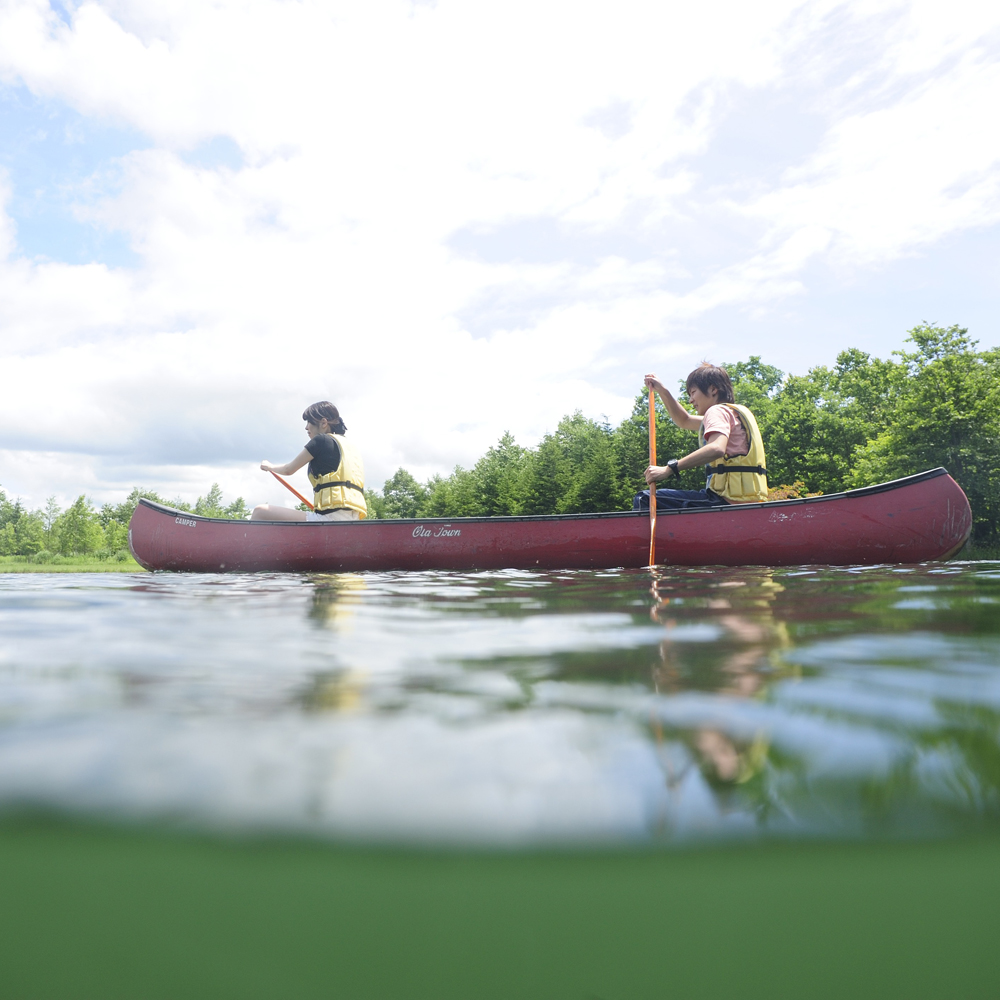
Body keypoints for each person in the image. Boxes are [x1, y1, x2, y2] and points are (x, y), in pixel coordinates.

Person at [633, 363, 767, 510]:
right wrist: (663, 391)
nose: (691, 400)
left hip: (723, 500)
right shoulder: (735, 415)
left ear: (713, 389)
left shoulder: (716, 411)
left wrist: (669, 469)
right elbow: (684, 420)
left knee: (643, 499)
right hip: (750, 501)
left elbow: (716, 448)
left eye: (693, 392)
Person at [251, 401, 367, 521]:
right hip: (353, 521)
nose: (306, 427)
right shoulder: (350, 447)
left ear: (323, 423)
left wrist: (269, 466)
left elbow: (288, 469)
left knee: (260, 511)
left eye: (309, 422)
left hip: (329, 519)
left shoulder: (321, 440)